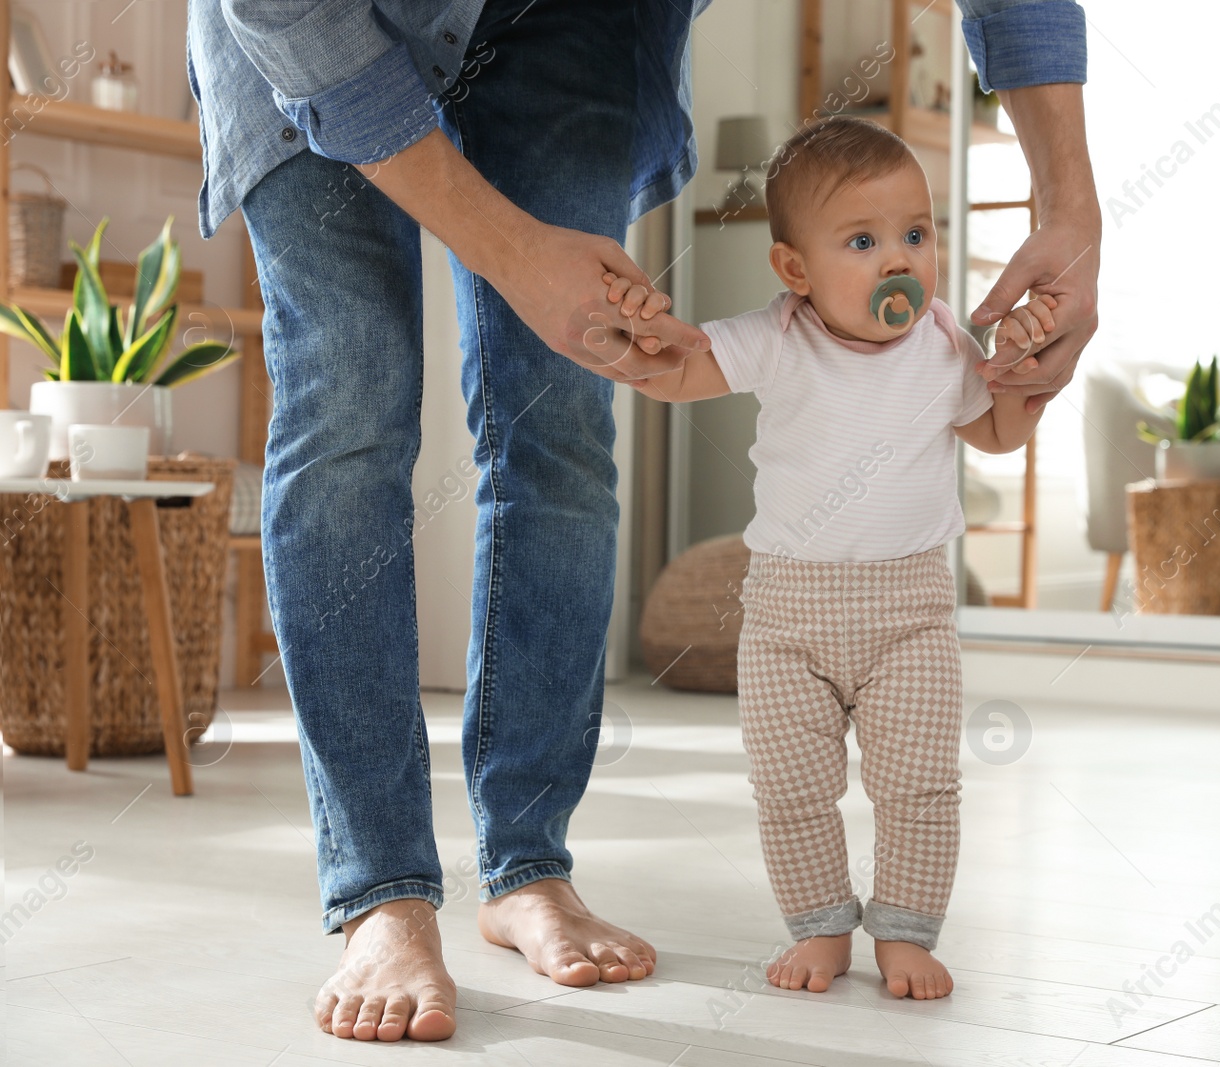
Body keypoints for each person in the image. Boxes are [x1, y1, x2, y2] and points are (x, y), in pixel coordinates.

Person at [189, 0, 1095, 1042]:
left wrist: (1068, 212)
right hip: (320, 30)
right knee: (348, 401)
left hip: (578, 25)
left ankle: (526, 860)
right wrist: (511, 252)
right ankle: (381, 891)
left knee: (560, 416)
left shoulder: (933, 343)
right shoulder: (788, 328)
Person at [609, 116, 1058, 1000]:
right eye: (864, 240)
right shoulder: (776, 336)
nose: (900, 259)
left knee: (921, 784)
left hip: (912, 613)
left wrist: (1028, 376)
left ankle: (906, 930)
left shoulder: (941, 342)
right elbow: (681, 371)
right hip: (787, 618)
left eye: (916, 235)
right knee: (791, 787)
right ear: (795, 270)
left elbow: (997, 431)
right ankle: (819, 925)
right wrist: (637, 338)